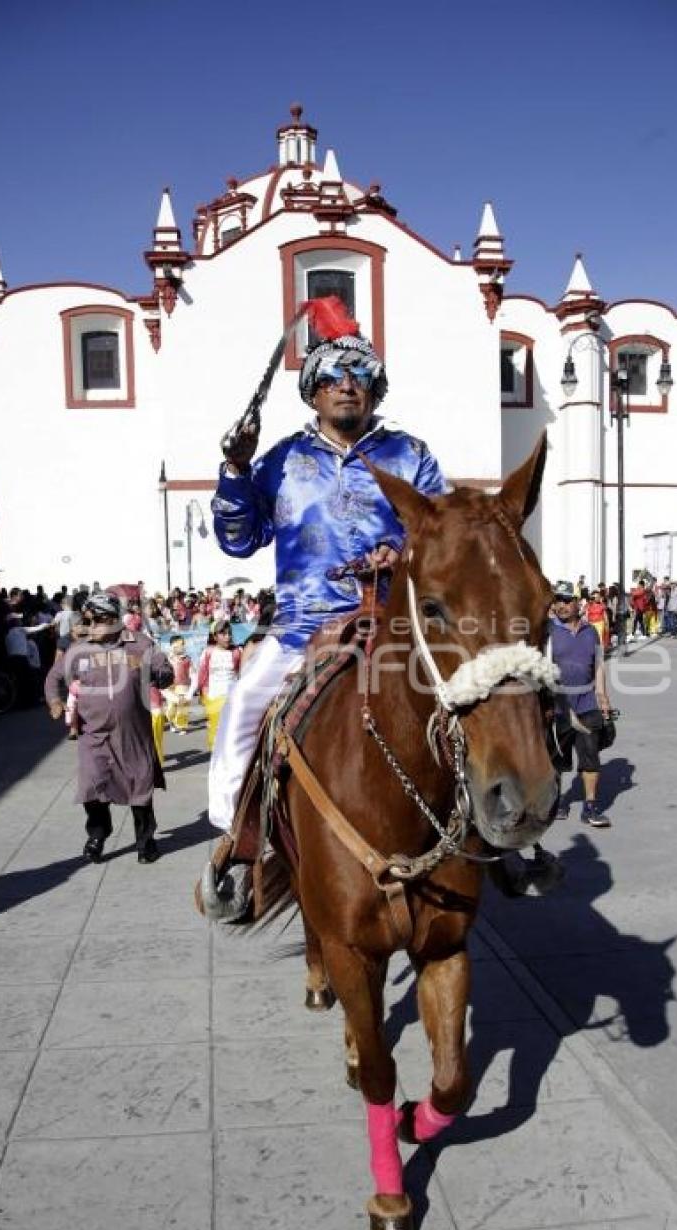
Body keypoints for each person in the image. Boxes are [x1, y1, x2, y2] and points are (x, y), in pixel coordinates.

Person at [197, 312, 446, 919]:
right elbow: (238, 539)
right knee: (241, 713)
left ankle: (502, 835)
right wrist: (235, 471)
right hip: (302, 629)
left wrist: (407, 550)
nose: (347, 382)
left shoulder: (410, 455)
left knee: (487, 700)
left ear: (375, 389)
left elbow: (443, 533)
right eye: (334, 373)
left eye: (361, 373)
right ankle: (237, 842)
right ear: (312, 387)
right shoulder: (280, 460)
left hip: (398, 628)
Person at [44, 591, 174, 864]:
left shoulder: (139, 644)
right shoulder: (79, 650)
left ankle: (145, 841)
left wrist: (156, 673)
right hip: (95, 735)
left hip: (133, 736)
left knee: (141, 789)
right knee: (92, 786)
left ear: (114, 619)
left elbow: (165, 671)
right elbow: (53, 677)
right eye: (87, 622)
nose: (90, 628)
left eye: (95, 621)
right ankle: (98, 834)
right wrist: (55, 701)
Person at [549, 581, 613, 828]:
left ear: (578, 603)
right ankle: (558, 801)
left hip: (587, 703)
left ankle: (590, 806)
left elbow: (598, 665)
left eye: (567, 600)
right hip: (557, 706)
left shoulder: (590, 632)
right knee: (556, 760)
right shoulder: (548, 631)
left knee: (590, 756)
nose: (561, 605)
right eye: (558, 601)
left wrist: (603, 695)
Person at [198, 618, 242, 751]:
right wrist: (204, 696)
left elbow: (241, 673)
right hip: (213, 697)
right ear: (215, 636)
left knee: (232, 733)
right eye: (223, 634)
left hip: (231, 698)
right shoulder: (208, 652)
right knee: (216, 734)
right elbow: (202, 676)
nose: (227, 637)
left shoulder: (237, 652)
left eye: (229, 634)